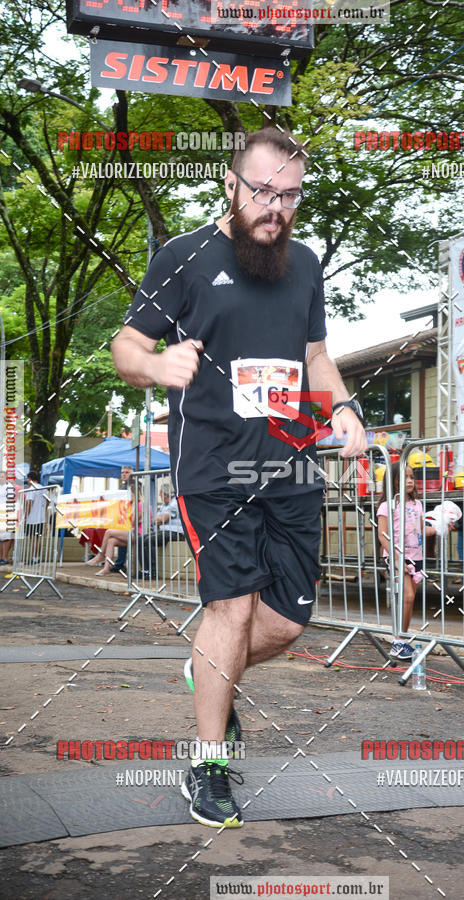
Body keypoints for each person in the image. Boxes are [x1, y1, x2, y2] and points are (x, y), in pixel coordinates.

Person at [111, 127, 367, 828]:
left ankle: (207, 675)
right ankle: (209, 760)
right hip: (214, 469)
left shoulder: (307, 263)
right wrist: (155, 366)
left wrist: (342, 406)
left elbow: (316, 355)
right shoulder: (185, 256)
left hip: (290, 464)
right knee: (232, 610)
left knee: (285, 623)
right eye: (261, 191)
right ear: (231, 185)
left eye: (288, 195)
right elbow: (126, 345)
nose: (274, 207)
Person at [377, 462, 438, 660]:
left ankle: (401, 640)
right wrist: (395, 559)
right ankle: (398, 641)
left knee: (410, 601)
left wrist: (441, 527)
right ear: (392, 481)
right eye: (404, 477)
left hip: (416, 557)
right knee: (407, 596)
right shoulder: (388, 505)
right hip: (397, 558)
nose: (410, 481)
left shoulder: (417, 504)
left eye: (412, 477)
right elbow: (382, 535)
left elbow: (421, 530)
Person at [86, 476, 151, 575]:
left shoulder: (140, 504)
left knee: (109, 532)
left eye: (130, 495)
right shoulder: (134, 505)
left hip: (139, 533)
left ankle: (101, 555)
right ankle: (106, 568)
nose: (128, 497)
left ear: (135, 494)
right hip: (132, 532)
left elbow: (132, 522)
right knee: (111, 541)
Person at [136, 485, 185, 578]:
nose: (160, 496)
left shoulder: (174, 503)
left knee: (150, 540)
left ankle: (153, 571)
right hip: (164, 531)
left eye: (160, 494)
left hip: (175, 532)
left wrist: (160, 519)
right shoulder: (164, 505)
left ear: (165, 495)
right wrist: (159, 519)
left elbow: (163, 519)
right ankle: (145, 570)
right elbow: (155, 520)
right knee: (140, 539)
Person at [24, 471, 46, 564]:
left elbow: (29, 503)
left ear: (30, 479)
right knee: (37, 538)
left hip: (32, 518)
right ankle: (37, 558)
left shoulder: (32, 488)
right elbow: (47, 501)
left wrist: (26, 516)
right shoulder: (43, 488)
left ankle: (34, 558)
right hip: (40, 517)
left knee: (33, 538)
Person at [0, 471, 15, 565]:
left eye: (2, 477)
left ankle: (5, 557)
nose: (0, 478)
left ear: (6, 478)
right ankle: (0, 557)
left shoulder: (9, 487)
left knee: (6, 537)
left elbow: (10, 500)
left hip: (6, 513)